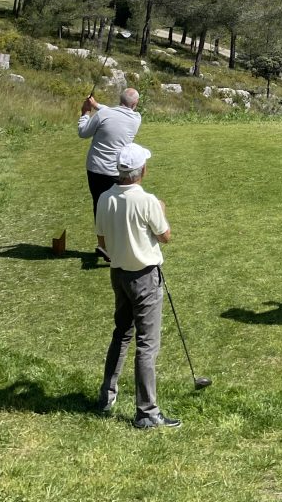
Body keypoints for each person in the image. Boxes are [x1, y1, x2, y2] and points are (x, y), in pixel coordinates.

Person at [95, 142, 180, 429]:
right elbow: (166, 235)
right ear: (140, 170)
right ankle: (146, 413)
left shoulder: (105, 198)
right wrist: (162, 211)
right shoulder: (147, 201)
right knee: (147, 343)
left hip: (118, 275)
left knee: (121, 333)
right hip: (144, 277)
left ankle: (106, 396)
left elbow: (102, 243)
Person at [78, 87, 141, 261]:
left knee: (99, 206)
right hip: (118, 170)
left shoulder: (103, 115)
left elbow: (83, 132)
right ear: (135, 104)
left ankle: (104, 245)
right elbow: (114, 113)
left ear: (119, 100)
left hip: (96, 168)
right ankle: (119, 244)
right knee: (119, 206)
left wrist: (85, 113)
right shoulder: (136, 118)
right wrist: (97, 105)